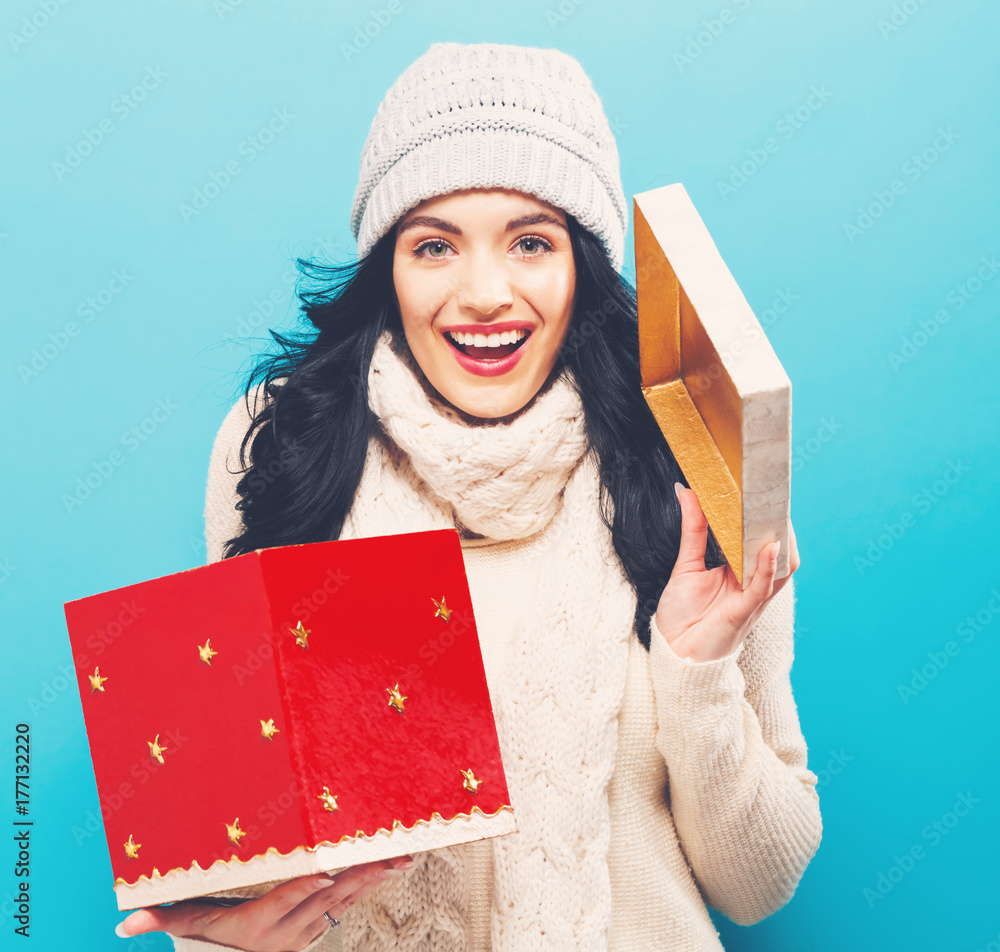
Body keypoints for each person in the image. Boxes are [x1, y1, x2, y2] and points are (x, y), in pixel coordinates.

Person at [117, 40, 821, 952]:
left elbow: (758, 884)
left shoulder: (686, 463)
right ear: (387, 269)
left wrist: (694, 668)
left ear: (584, 266)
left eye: (532, 242)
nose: (484, 295)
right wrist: (223, 934)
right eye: (435, 245)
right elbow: (234, 855)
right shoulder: (284, 442)